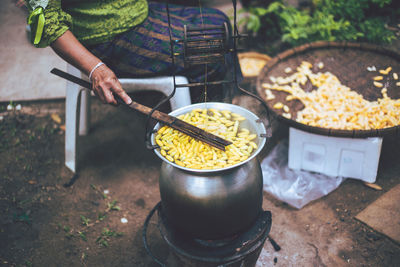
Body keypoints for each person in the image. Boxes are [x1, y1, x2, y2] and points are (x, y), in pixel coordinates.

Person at [26, 0, 240, 106]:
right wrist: (95, 68)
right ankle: (190, 124)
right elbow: (48, 22)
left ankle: (229, 101)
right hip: (105, 37)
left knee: (217, 22)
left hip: (139, 11)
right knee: (208, 50)